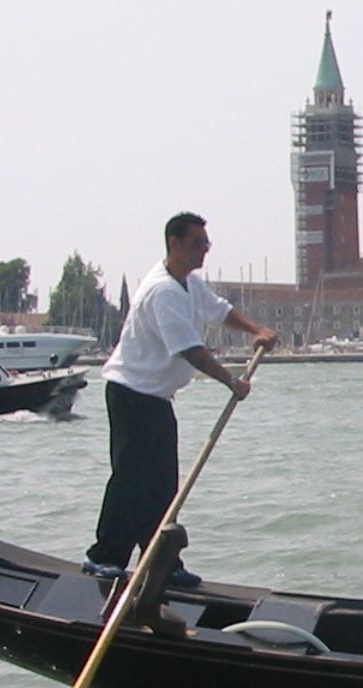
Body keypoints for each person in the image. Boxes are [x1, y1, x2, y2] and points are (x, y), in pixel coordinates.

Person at [84, 212, 279, 586]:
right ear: (175, 244)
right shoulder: (163, 292)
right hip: (131, 394)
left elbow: (219, 310)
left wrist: (257, 330)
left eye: (207, 243)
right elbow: (190, 350)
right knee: (131, 481)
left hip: (157, 398)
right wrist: (231, 382)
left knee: (163, 486)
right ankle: (104, 556)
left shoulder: (189, 283)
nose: (204, 250)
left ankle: (162, 563)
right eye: (197, 243)